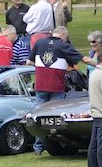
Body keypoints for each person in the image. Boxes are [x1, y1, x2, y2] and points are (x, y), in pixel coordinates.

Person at [30, 26, 85, 155]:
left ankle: (38, 146)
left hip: (40, 86)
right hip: (56, 87)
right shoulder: (63, 46)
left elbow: (29, 61)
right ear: (63, 35)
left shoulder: (39, 43)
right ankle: (58, 143)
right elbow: (81, 60)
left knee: (38, 117)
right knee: (56, 118)